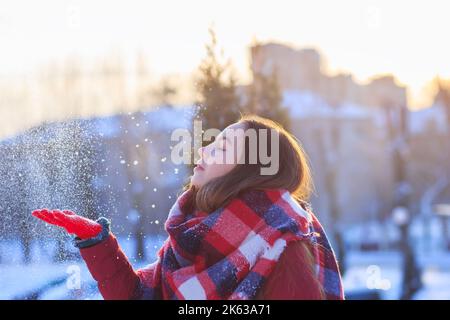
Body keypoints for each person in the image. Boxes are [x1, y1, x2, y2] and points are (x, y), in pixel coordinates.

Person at [32, 114, 344, 300]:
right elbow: (141, 296)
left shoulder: (284, 251)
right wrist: (98, 242)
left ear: (249, 170)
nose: (204, 149)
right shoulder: (198, 233)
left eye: (221, 147)